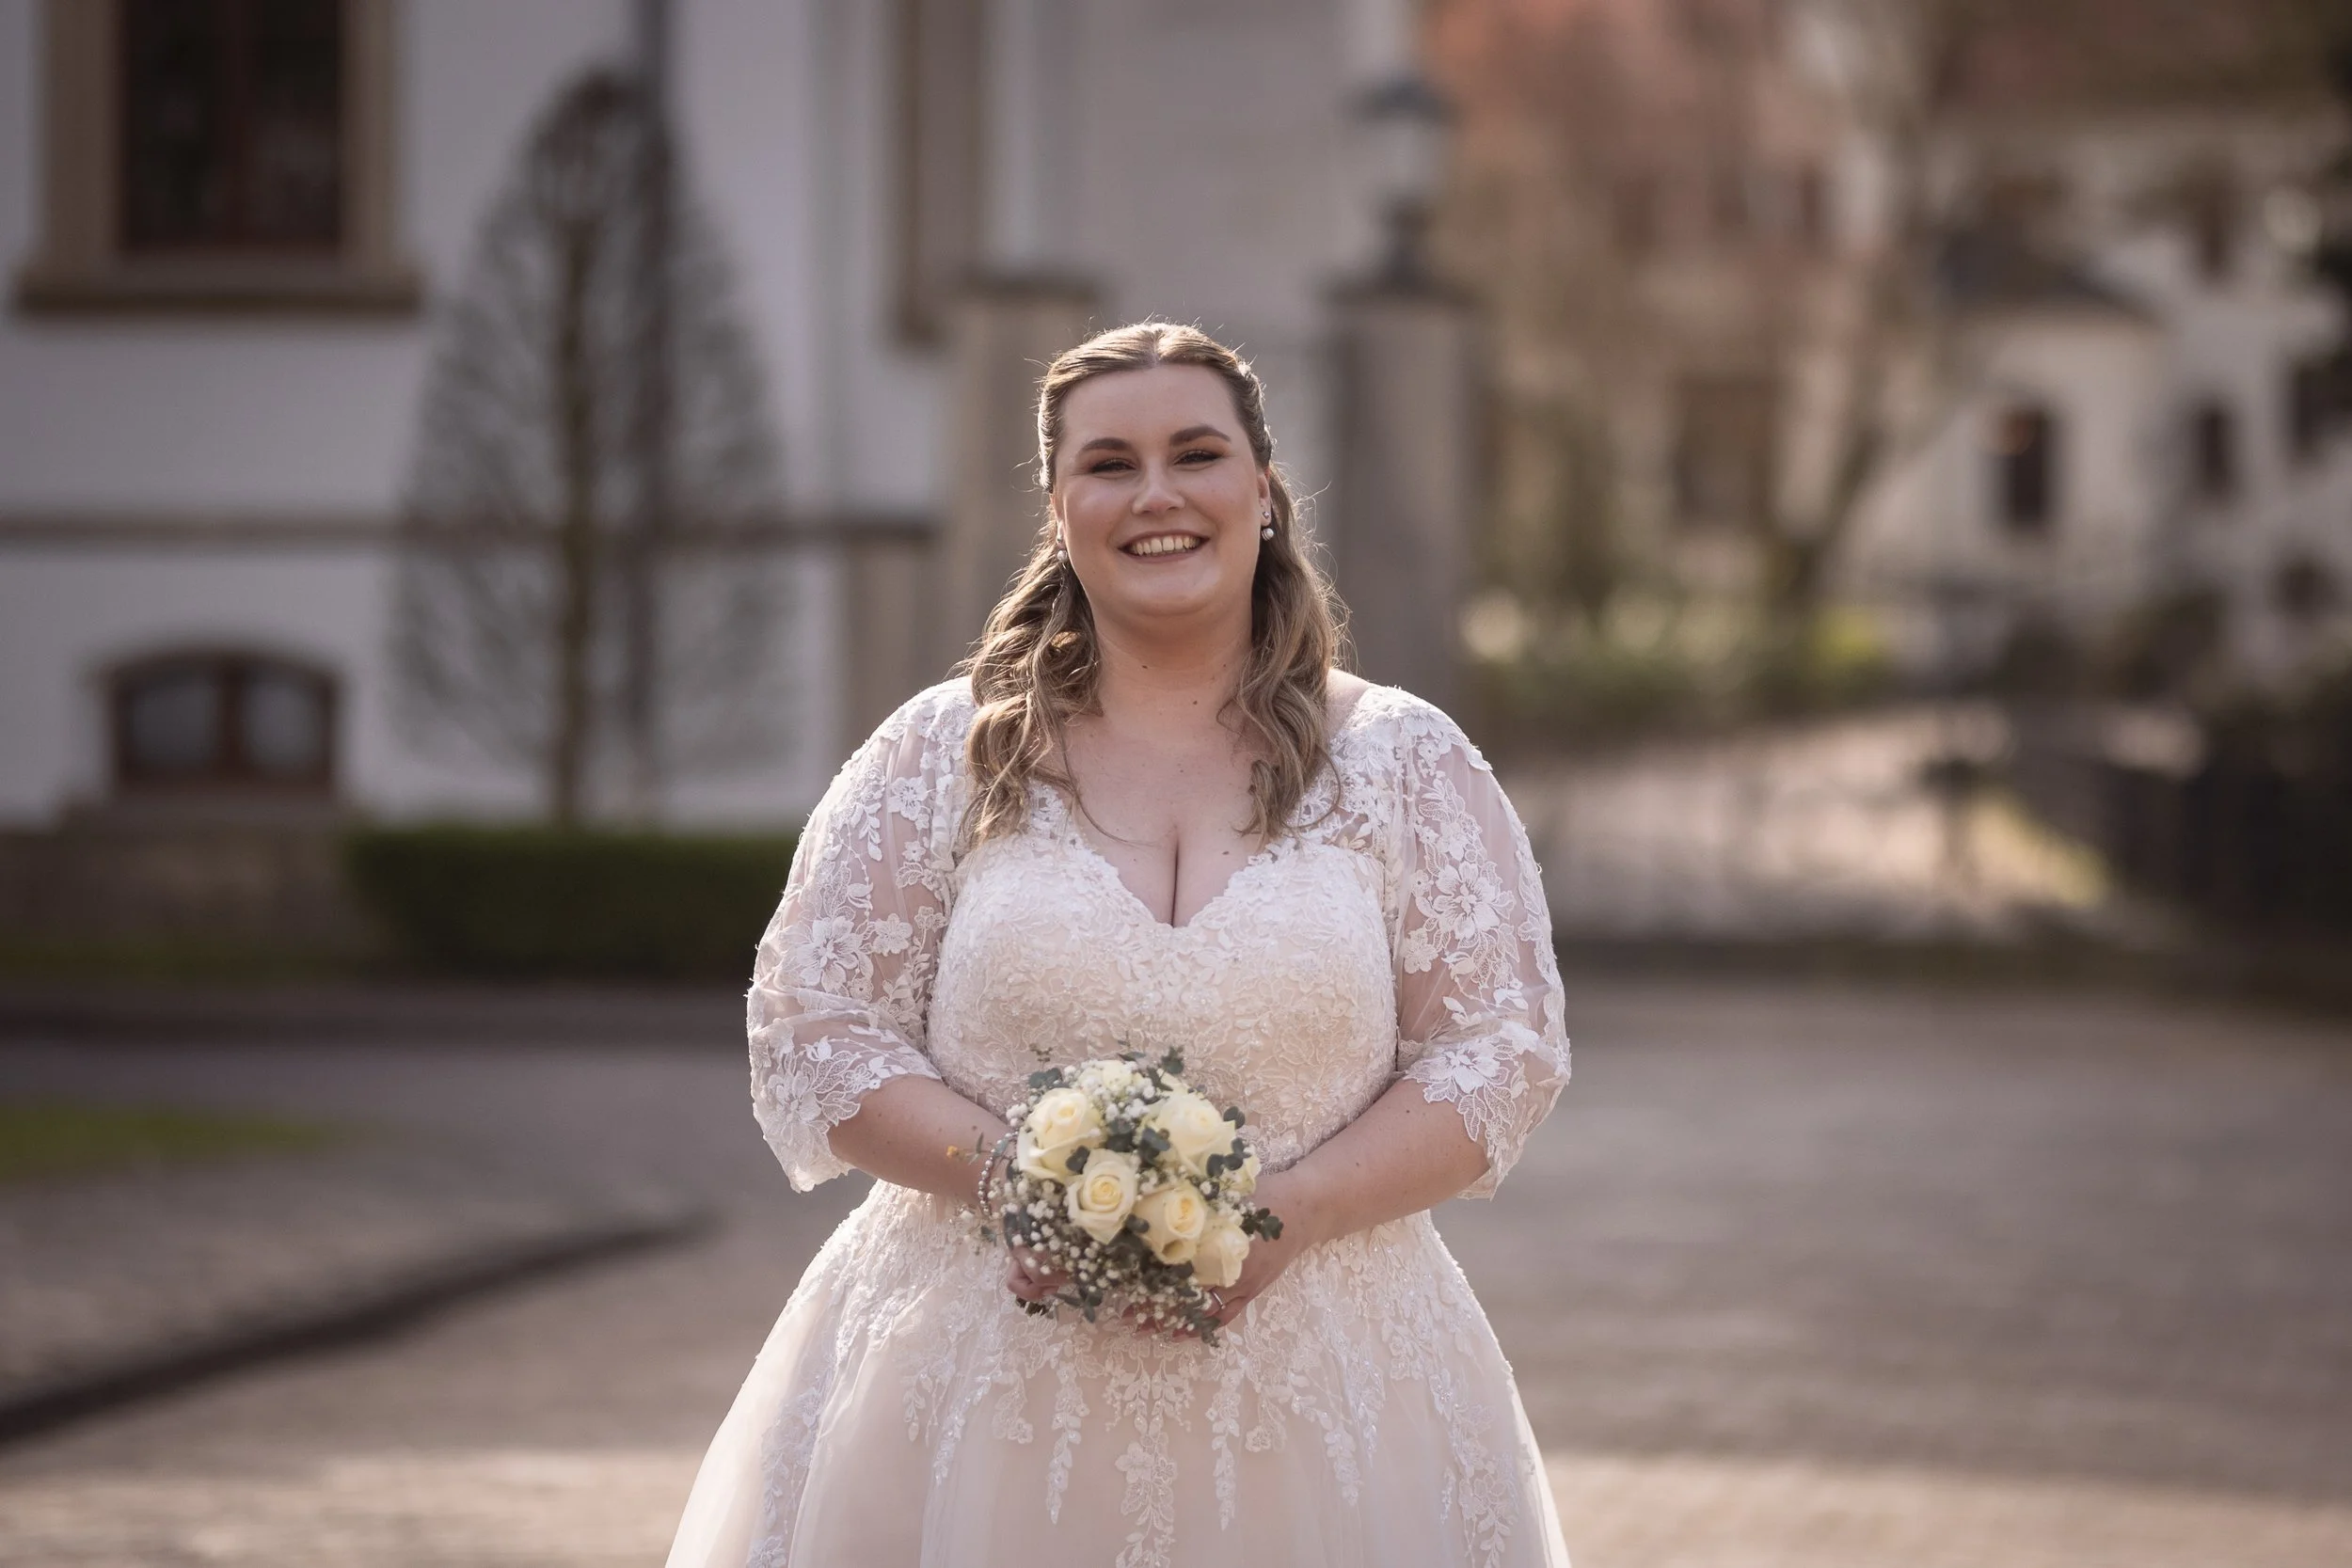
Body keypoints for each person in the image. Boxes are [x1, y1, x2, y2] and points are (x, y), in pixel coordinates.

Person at [664, 322, 1571, 1568]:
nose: (1155, 494)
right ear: (1059, 507)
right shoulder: (941, 754)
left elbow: (1498, 1054)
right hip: (970, 1388)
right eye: (1109, 463)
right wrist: (1017, 1180)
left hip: (1336, 1389)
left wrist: (1286, 1214)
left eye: (1196, 453)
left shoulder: (1405, 763)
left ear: (1261, 491)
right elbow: (816, 1029)